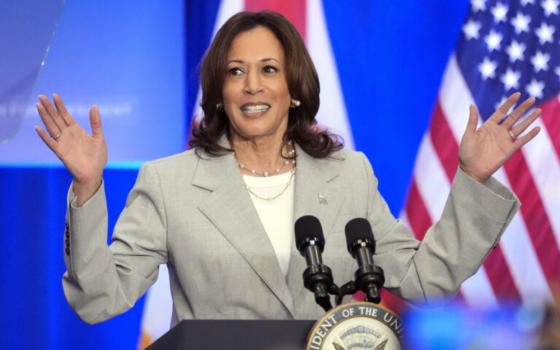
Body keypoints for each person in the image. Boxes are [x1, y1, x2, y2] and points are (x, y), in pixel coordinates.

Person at [35, 11, 541, 325]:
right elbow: (99, 300)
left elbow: (425, 280)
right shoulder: (168, 183)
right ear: (219, 92)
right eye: (236, 72)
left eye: (268, 70)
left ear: (294, 88)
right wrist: (88, 185)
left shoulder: (348, 175)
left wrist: (472, 179)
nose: (252, 85)